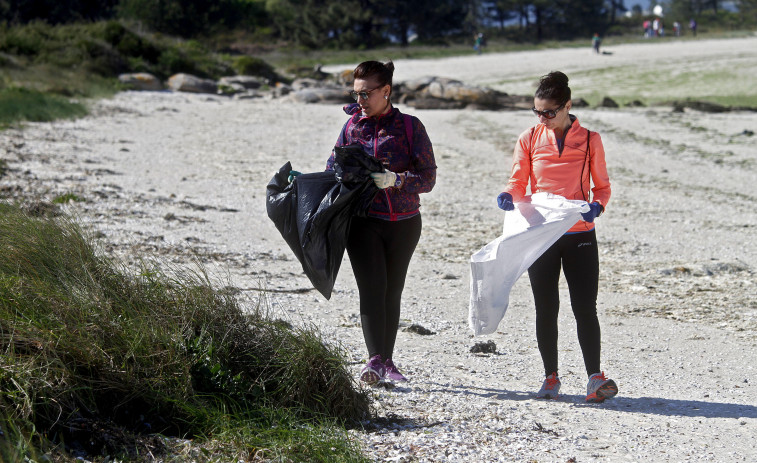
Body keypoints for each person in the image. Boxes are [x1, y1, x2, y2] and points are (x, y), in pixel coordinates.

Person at [496, 71, 618, 403]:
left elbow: (603, 187)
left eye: (549, 112)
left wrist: (597, 207)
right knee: (546, 308)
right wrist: (509, 195)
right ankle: (551, 378)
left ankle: (594, 378)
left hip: (579, 233)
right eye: (538, 112)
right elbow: (518, 181)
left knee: (585, 307)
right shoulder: (529, 138)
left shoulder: (591, 139)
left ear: (567, 106)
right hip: (542, 234)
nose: (543, 118)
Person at [325, 60, 437, 386]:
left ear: (386, 91)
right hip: (363, 221)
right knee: (372, 290)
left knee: (392, 292)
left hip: (405, 223)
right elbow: (333, 167)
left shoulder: (411, 127)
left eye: (366, 93)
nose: (360, 100)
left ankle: (387, 362)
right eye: (356, 93)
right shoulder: (351, 128)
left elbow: (428, 178)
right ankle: (374, 361)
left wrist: (397, 180)